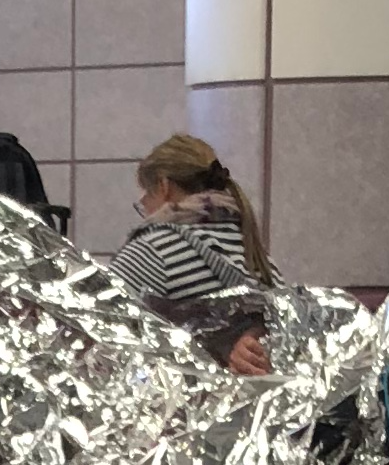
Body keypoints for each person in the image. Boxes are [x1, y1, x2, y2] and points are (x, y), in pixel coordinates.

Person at [104, 134, 279, 376]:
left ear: (164, 187)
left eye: (146, 197)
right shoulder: (255, 252)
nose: (144, 210)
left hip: (175, 409)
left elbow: (100, 333)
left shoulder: (153, 250)